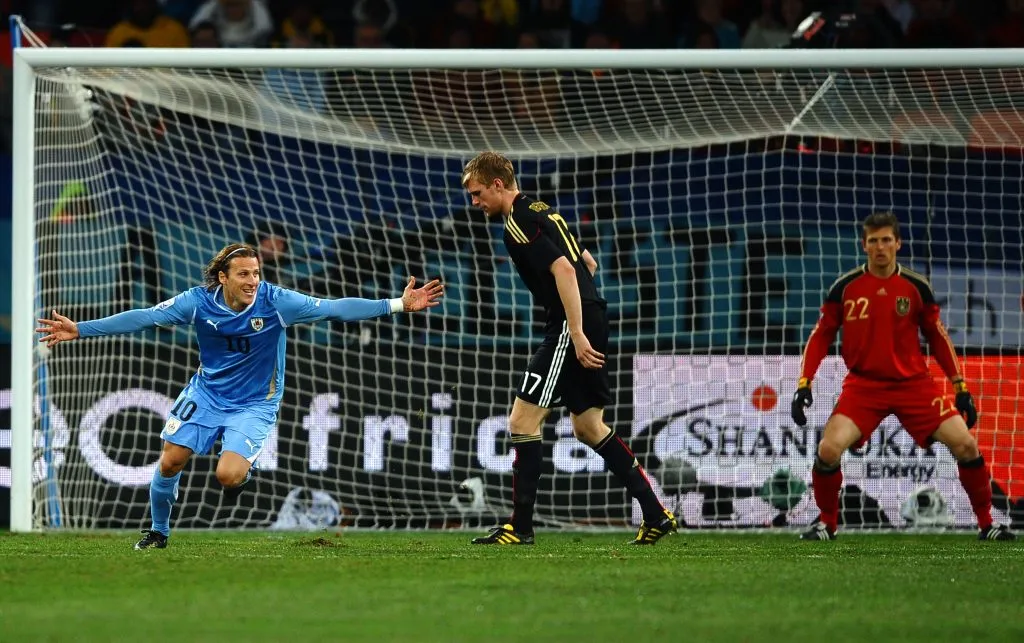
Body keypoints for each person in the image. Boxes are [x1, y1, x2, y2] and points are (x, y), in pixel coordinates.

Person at [36, 243, 443, 550]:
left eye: (257, 273)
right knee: (171, 458)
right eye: (244, 274)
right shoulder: (197, 302)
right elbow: (147, 317)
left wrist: (396, 304)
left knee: (227, 476)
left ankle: (241, 475)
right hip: (207, 392)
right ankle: (158, 532)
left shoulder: (276, 302)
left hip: (255, 402)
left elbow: (335, 309)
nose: (253, 281)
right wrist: (82, 329)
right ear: (223, 278)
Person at [460, 152, 676, 545]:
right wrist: (583, 317)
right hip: (590, 314)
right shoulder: (542, 208)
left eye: (477, 194)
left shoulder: (518, 223)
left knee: (522, 422)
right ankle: (656, 514)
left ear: (496, 184)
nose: (474, 203)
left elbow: (564, 268)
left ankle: (520, 527)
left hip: (569, 325)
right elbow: (586, 262)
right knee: (589, 427)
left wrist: (574, 331)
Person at [792, 212, 1016, 541]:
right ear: (864, 245)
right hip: (864, 386)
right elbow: (821, 335)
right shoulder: (846, 287)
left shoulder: (916, 287)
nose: (880, 247)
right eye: (873, 241)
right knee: (828, 449)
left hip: (914, 386)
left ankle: (987, 523)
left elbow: (938, 337)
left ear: (898, 243)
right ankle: (827, 523)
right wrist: (804, 383)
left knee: (967, 446)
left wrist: (960, 387)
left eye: (886, 240)